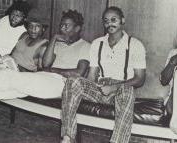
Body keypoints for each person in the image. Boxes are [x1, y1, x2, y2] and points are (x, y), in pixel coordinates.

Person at [0, 10, 90, 128]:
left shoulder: (85, 46)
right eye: (61, 25)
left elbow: (79, 73)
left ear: (77, 28)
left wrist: (52, 71)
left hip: (62, 84)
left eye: (66, 25)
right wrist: (54, 40)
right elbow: (46, 65)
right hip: (43, 78)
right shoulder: (57, 43)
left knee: (10, 78)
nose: (62, 28)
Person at [60, 6, 146, 143]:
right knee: (73, 81)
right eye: (106, 21)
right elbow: (92, 76)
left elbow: (140, 79)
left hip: (121, 89)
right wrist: (87, 87)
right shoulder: (97, 43)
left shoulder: (135, 45)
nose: (110, 24)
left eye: (114, 20)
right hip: (100, 88)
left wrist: (114, 87)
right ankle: (67, 138)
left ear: (122, 20)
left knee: (128, 90)